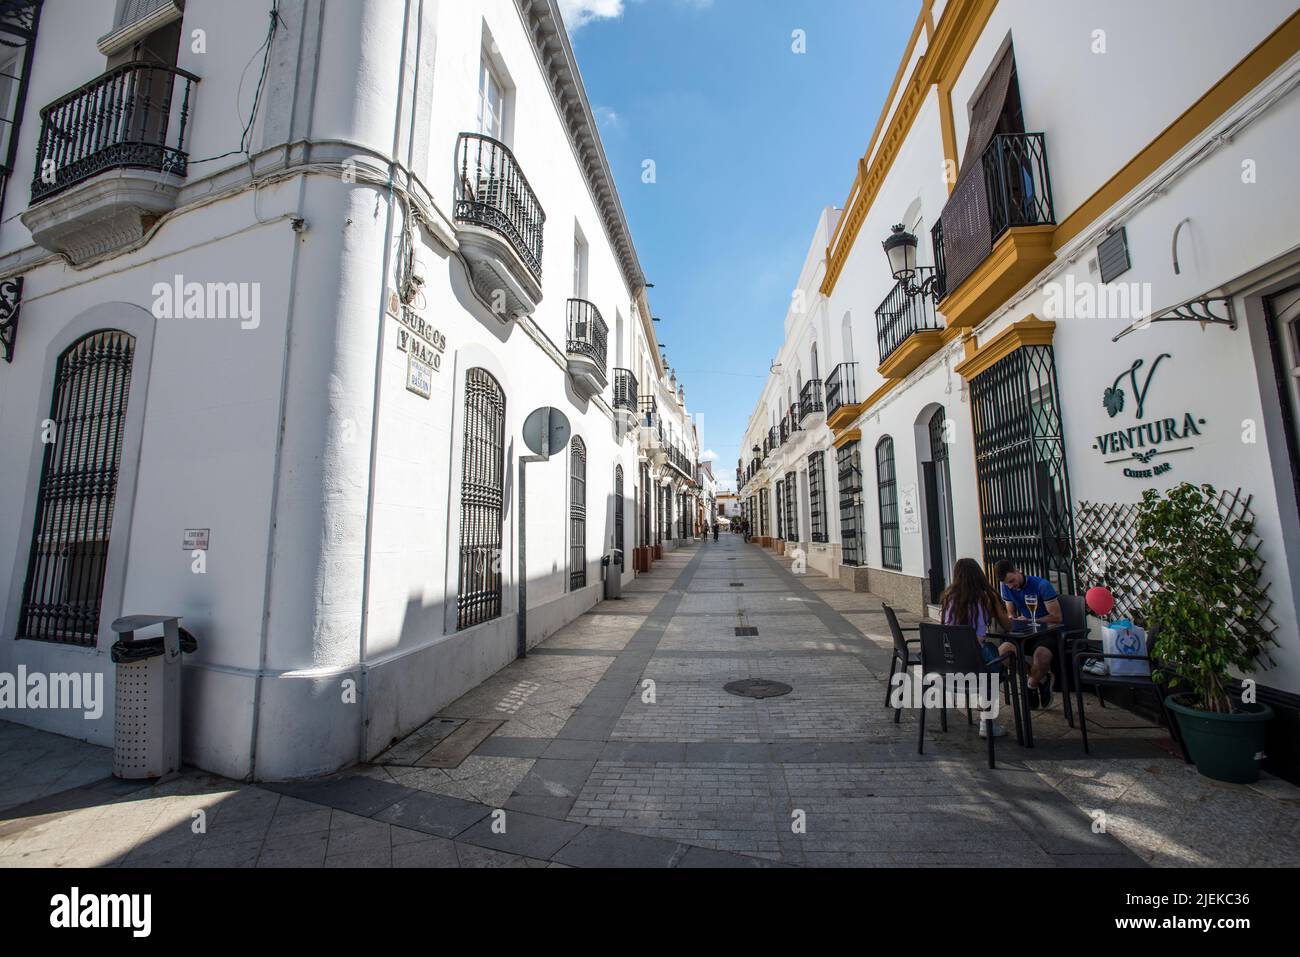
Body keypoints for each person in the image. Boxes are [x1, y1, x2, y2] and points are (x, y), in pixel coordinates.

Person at [939, 558, 1016, 738]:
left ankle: (985, 705)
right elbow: (1007, 626)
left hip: (948, 664)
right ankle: (987, 721)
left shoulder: (948, 596)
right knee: (1007, 650)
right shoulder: (986, 596)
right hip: (975, 665)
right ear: (979, 575)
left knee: (989, 659)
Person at [993, 559, 1060, 708]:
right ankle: (1041, 678)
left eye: (1011, 580)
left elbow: (1056, 617)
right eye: (1007, 583)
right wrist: (1010, 618)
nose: (1011, 585)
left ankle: (1031, 684)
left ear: (1017, 570)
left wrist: (1030, 619)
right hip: (1025, 631)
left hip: (1047, 630)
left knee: (1041, 656)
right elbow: (1011, 614)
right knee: (1003, 653)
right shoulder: (1006, 587)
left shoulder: (1042, 585)